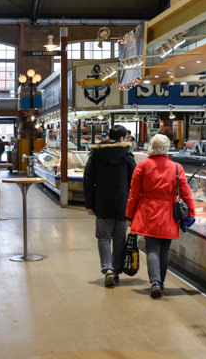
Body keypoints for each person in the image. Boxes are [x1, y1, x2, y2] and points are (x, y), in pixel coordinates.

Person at [126, 134, 196, 299]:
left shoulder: (142, 167)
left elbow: (133, 194)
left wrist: (129, 214)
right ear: (167, 148)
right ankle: (161, 283)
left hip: (148, 211)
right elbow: (186, 192)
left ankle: (154, 282)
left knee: (152, 249)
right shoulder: (177, 168)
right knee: (164, 250)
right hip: (168, 213)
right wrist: (191, 212)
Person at [83, 124, 136, 288]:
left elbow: (88, 180)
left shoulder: (96, 155)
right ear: (121, 138)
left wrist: (89, 204)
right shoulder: (127, 156)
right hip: (122, 203)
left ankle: (108, 269)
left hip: (102, 202)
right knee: (119, 239)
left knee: (104, 237)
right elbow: (134, 182)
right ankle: (117, 270)